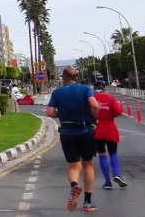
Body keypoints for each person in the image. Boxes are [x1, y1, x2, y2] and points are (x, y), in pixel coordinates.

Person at [46, 67, 100, 212]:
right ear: (76, 77)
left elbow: (50, 112)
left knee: (74, 166)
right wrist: (94, 117)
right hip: (85, 131)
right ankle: (88, 202)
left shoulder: (57, 92)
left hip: (67, 133)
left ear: (63, 78)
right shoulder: (85, 89)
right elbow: (94, 105)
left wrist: (61, 113)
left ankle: (74, 185)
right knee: (88, 165)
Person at [92, 80, 128, 190]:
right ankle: (116, 174)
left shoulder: (91, 98)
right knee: (113, 153)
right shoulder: (110, 98)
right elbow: (118, 112)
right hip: (110, 129)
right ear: (104, 88)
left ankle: (107, 182)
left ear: (94, 88)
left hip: (97, 129)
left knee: (102, 154)